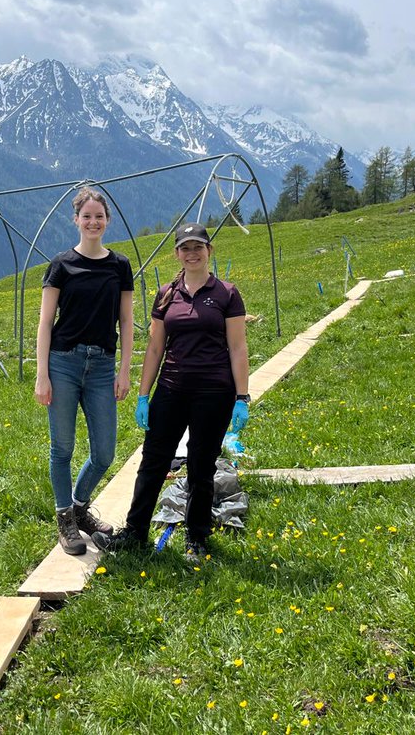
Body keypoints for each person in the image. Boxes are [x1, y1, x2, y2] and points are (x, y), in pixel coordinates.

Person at [94, 223, 250, 561]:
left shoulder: (226, 293)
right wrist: (142, 395)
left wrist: (242, 397)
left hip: (215, 392)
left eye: (198, 247)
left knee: (201, 464)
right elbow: (154, 348)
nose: (192, 253)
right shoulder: (166, 294)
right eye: (185, 248)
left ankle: (197, 537)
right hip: (171, 389)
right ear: (177, 254)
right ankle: (135, 533)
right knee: (153, 461)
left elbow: (238, 348)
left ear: (209, 251)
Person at [36, 187, 134, 555]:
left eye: (99, 216)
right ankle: (66, 521)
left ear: (107, 221)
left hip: (101, 366)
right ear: (76, 220)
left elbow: (126, 320)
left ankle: (79, 507)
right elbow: (45, 323)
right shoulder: (61, 265)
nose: (93, 222)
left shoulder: (119, 265)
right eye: (86, 216)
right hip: (63, 362)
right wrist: (41, 374)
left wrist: (124, 371)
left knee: (105, 452)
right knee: (62, 448)